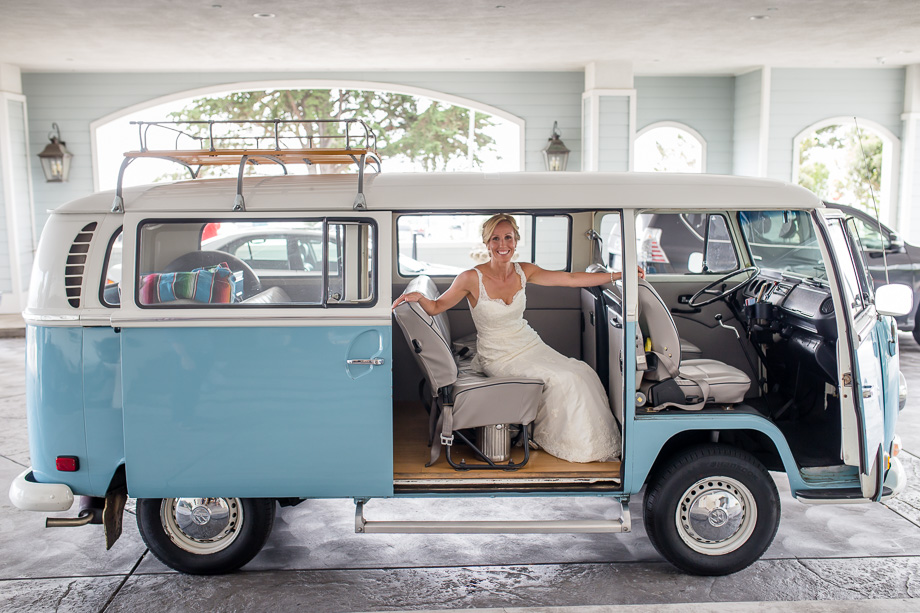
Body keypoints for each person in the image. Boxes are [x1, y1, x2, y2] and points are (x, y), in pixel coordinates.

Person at [392, 213, 643, 463]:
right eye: (496, 239)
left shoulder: (525, 271)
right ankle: (563, 442)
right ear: (487, 243)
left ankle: (588, 441)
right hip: (498, 355)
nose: (503, 245)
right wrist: (417, 298)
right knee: (564, 379)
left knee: (582, 372)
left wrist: (618, 275)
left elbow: (571, 279)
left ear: (516, 240)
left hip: (529, 343)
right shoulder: (470, 278)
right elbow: (436, 307)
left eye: (508, 238)